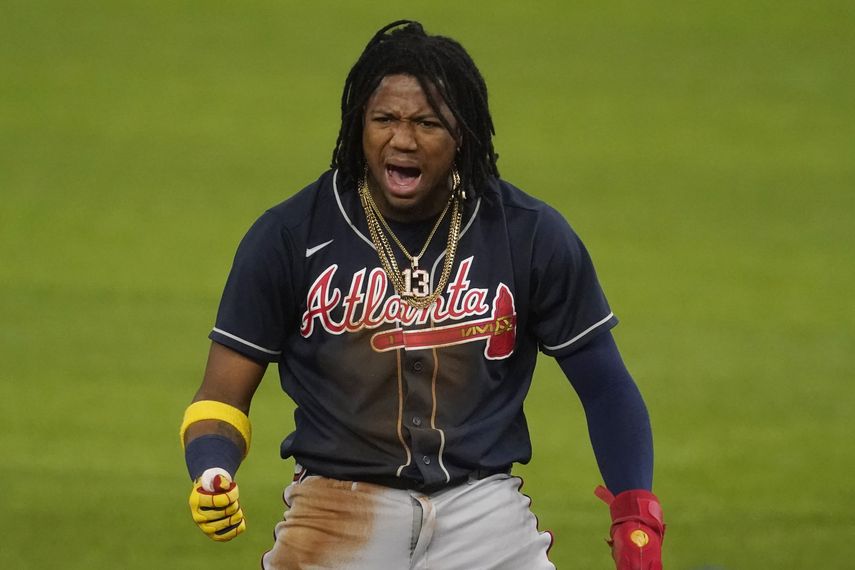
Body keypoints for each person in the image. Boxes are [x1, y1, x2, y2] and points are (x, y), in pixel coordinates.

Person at [180, 20, 665, 569]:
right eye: (384, 119)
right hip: (338, 509)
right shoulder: (292, 235)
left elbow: (603, 383)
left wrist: (635, 507)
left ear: (463, 135)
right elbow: (220, 396)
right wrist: (212, 466)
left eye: (427, 123)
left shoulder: (527, 233)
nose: (402, 139)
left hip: (484, 513)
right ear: (358, 125)